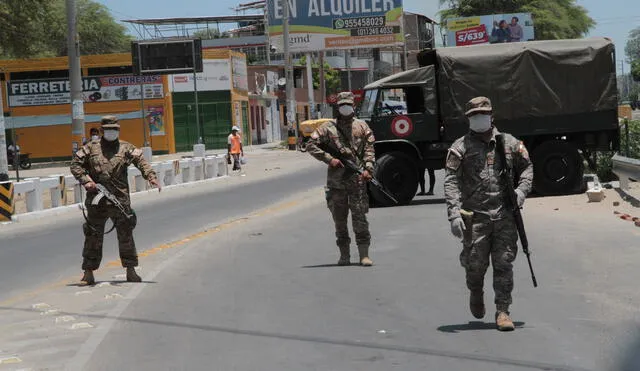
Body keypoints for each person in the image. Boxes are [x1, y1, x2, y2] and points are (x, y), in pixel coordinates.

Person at [443, 97, 533, 331]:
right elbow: (451, 180)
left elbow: (527, 168)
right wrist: (453, 214)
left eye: (483, 113)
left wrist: (521, 192)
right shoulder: (460, 147)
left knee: (504, 264)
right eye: (474, 115)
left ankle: (503, 311)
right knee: (475, 266)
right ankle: (475, 290)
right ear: (468, 119)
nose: (479, 118)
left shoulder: (510, 143)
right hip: (475, 218)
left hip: (504, 215)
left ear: (492, 115)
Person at [70, 115, 161, 286]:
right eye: (109, 129)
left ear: (118, 130)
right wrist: (86, 180)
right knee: (92, 236)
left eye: (115, 129)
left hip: (120, 200)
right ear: (102, 130)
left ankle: (131, 270)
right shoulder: (91, 148)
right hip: (97, 201)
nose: (112, 132)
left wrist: (151, 176)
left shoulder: (126, 147)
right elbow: (75, 165)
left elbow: (141, 162)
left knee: (126, 235)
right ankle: (88, 273)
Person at [306, 91, 376, 266]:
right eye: (342, 105)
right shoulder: (327, 128)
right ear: (337, 107)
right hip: (337, 183)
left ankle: (364, 255)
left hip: (357, 181)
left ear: (353, 106)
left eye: (348, 105)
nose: (345, 108)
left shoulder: (362, 126)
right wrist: (330, 159)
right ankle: (344, 255)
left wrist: (368, 168)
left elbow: (369, 149)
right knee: (340, 220)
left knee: (360, 218)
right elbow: (310, 144)